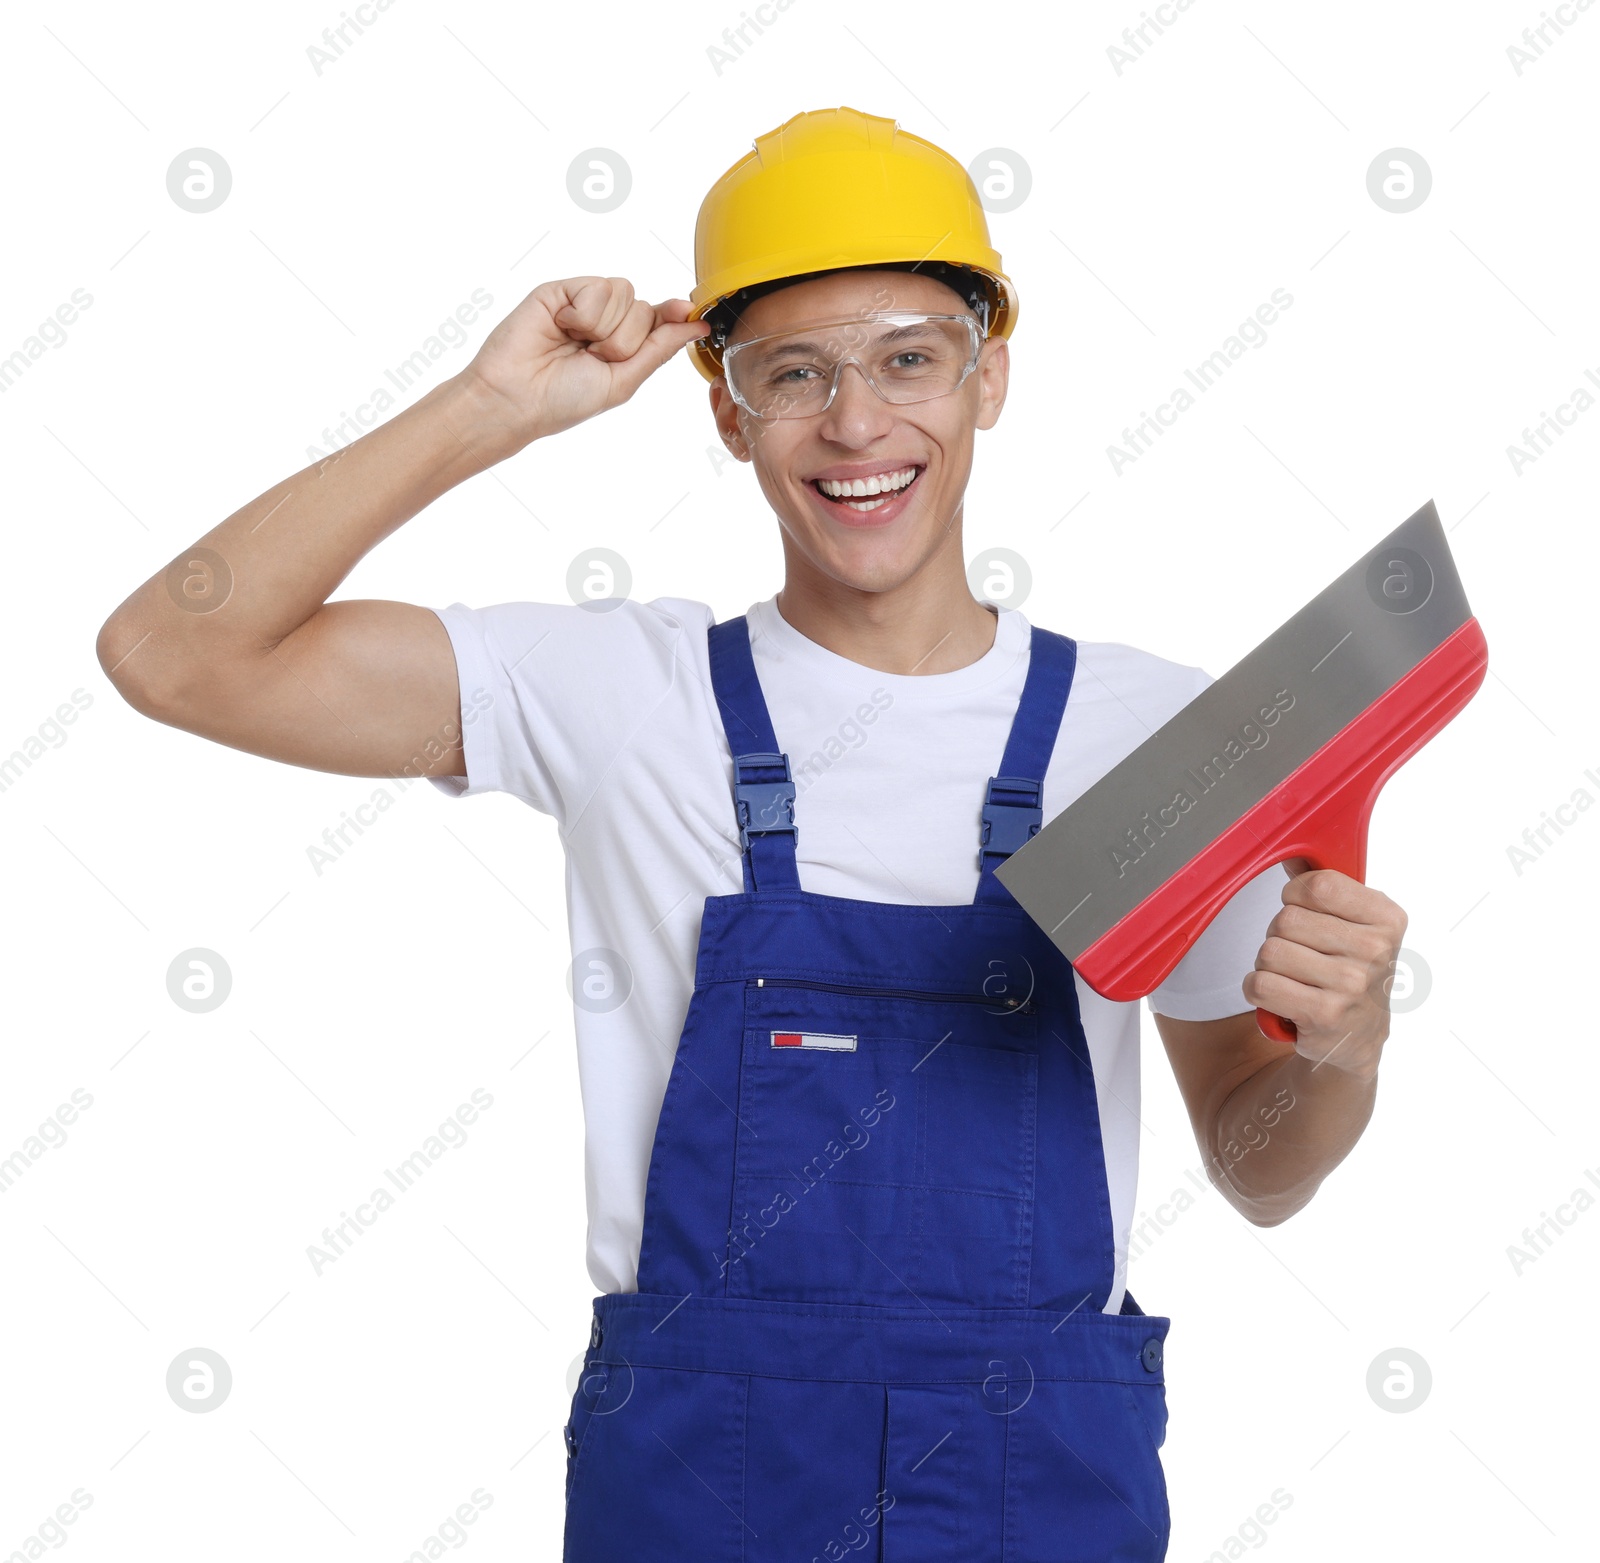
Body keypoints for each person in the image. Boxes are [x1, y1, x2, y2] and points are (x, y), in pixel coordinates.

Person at [97, 105, 1407, 1561]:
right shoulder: (618, 699)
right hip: (703, 1487)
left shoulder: (1166, 740)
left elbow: (1261, 1169)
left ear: (992, 377)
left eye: (910, 357)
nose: (858, 425)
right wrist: (488, 409)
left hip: (1038, 1487)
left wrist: (1341, 1049)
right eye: (795, 375)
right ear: (725, 412)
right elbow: (176, 654)